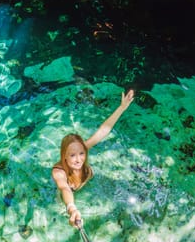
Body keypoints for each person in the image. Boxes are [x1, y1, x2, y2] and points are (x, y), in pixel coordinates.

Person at [52, 89, 135, 228]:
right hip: (69, 196)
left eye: (81, 153)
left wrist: (122, 108)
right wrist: (72, 209)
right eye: (72, 155)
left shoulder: (82, 149)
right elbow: (64, 188)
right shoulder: (58, 172)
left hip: (86, 181)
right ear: (64, 156)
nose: (78, 159)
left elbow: (104, 130)